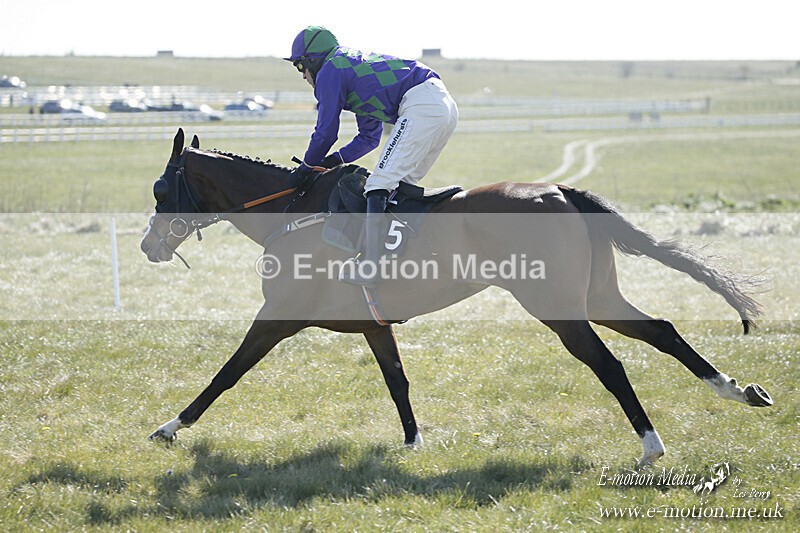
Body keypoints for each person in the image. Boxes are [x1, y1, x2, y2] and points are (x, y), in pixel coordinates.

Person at [285, 25, 459, 287]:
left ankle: (370, 267)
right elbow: (369, 138)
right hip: (442, 106)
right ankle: (400, 259)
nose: (303, 76)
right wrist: (333, 160)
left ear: (312, 60)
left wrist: (306, 168)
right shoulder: (352, 71)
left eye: (300, 66)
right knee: (399, 188)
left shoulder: (331, 70)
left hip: (422, 104)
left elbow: (325, 131)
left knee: (378, 184)